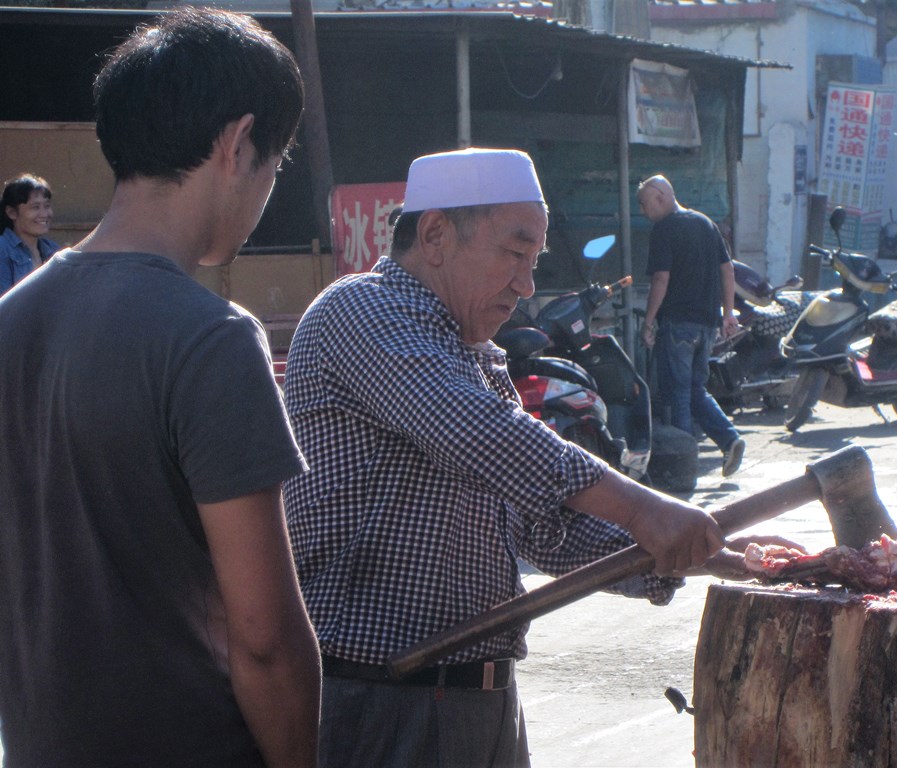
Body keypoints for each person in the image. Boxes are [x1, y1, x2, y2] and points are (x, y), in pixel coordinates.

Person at [283, 147, 725, 768]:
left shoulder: (481, 358)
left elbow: (546, 529)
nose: (527, 283)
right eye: (515, 253)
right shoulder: (359, 311)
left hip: (483, 704)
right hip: (381, 702)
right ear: (435, 234)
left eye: (534, 260)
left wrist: (702, 552)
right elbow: (478, 432)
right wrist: (643, 506)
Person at [0, 9, 320, 767]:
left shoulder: (10, 321)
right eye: (275, 167)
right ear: (238, 146)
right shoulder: (211, 337)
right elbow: (266, 642)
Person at [637, 174, 746, 477]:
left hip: (678, 324)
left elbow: (661, 279)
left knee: (679, 395)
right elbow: (728, 271)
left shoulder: (664, 229)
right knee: (695, 389)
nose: (645, 213)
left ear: (660, 197)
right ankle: (730, 438)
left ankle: (685, 465)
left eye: (645, 205)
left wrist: (648, 322)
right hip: (707, 325)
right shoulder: (705, 223)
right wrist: (727, 313)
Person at [1, 173, 60, 294]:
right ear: (12, 213)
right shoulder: (2, 249)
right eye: (35, 207)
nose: (44, 214)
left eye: (47, 206)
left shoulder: (53, 251)